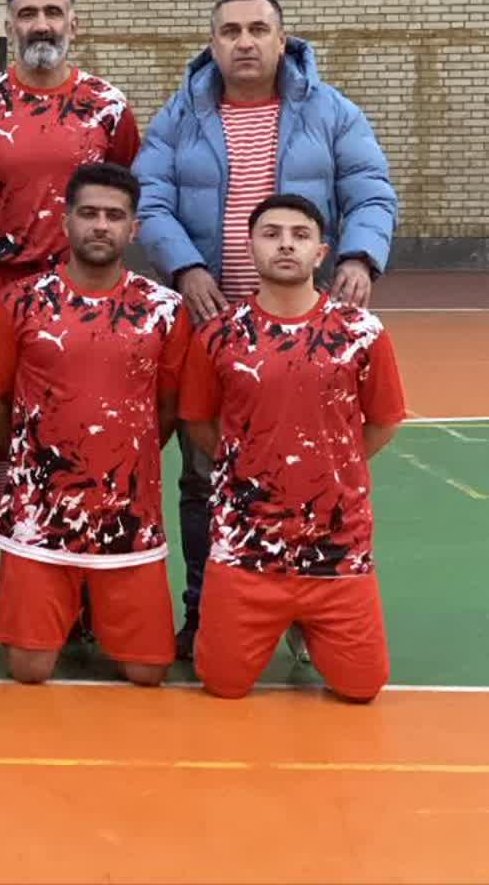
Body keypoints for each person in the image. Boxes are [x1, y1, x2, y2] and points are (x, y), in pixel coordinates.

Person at [133, 0, 398, 660]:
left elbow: (370, 190)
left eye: (257, 29)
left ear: (283, 41)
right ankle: (205, 607)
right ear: (212, 44)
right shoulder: (179, 117)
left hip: (308, 336)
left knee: (311, 474)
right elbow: (150, 200)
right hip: (214, 330)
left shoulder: (331, 112)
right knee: (205, 477)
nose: (244, 42)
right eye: (229, 31)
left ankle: (313, 612)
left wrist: (360, 256)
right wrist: (186, 267)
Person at [0, 0, 139, 643]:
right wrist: (9, 244)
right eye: (27, 13)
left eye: (53, 12)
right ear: (9, 26)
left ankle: (85, 580)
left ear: (73, 24)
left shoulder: (107, 107)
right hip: (0, 292)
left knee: (83, 433)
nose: (41, 24)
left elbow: (121, 195)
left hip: (88, 301)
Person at [0, 163, 190, 686]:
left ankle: (93, 609)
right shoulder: (20, 301)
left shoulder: (165, 309)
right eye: (89, 213)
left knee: (148, 672)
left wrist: (123, 457)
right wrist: (34, 458)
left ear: (133, 228)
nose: (101, 225)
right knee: (29, 670)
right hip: (38, 514)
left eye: (115, 216)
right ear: (66, 221)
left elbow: (167, 406)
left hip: (129, 514)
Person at [179, 194, 406, 702]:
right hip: (246, 546)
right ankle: (278, 620)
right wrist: (249, 464)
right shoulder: (217, 335)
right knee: (223, 685)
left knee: (362, 688)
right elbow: (199, 422)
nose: (286, 245)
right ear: (250, 247)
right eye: (272, 234)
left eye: (300, 236)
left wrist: (332, 464)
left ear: (321, 253)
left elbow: (383, 422)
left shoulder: (362, 333)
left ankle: (308, 623)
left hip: (337, 547)